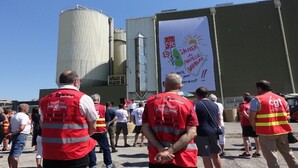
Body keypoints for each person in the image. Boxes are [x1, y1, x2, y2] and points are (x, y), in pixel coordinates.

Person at [39, 70, 98, 168]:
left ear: (59, 81)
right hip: (75, 153)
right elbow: (93, 127)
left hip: (50, 154)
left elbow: (42, 124)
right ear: (76, 81)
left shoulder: (45, 100)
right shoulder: (83, 98)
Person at [142, 73, 198, 167]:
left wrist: (161, 150)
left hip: (157, 157)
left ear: (164, 84)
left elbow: (145, 128)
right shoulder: (188, 104)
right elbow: (192, 132)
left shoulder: (151, 102)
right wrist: (169, 151)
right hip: (183, 159)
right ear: (181, 86)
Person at [249, 80, 298, 168]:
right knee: (288, 153)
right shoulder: (281, 99)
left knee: (271, 157)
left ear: (259, 88)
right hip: (282, 131)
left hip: (266, 132)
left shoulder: (257, 100)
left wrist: (254, 127)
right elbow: (288, 116)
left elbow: (252, 117)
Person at [195, 87, 222, 168]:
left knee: (206, 156)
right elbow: (218, 118)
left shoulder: (196, 105)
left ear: (197, 95)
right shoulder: (215, 105)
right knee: (215, 154)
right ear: (207, 95)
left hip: (202, 132)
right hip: (214, 131)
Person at [88, 93, 113, 168]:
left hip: (91, 132)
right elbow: (107, 120)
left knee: (91, 148)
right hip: (101, 131)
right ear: (98, 100)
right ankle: (108, 164)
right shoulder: (104, 108)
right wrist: (106, 129)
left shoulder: (89, 108)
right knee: (106, 149)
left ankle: (92, 164)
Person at [5, 103, 31, 168]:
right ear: (24, 108)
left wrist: (10, 133)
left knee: (12, 153)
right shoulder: (24, 116)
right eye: (28, 108)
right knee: (15, 155)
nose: (28, 109)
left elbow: (10, 126)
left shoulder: (14, 116)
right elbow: (22, 127)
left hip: (14, 135)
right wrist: (13, 133)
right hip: (21, 135)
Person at [238, 93, 260, 158]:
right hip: (253, 123)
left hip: (245, 124)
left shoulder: (243, 105)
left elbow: (244, 113)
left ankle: (247, 152)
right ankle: (257, 151)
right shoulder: (253, 105)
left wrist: (249, 119)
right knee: (256, 137)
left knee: (246, 138)